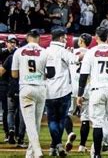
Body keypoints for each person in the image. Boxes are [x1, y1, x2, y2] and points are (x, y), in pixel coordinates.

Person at [77, 27, 108, 158]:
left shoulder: (91, 52)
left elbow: (83, 76)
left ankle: (97, 154)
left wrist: (80, 94)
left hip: (96, 91)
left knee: (98, 123)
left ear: (96, 37)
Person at [11, 30, 49, 158]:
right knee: (36, 122)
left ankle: (37, 151)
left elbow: (14, 74)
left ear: (27, 38)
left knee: (30, 123)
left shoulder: (18, 51)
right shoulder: (45, 52)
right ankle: (30, 153)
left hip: (26, 88)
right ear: (38, 38)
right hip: (41, 88)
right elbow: (50, 72)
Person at [44, 28, 81, 156]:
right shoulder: (62, 51)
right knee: (61, 120)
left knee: (52, 120)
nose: (66, 40)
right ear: (60, 38)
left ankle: (54, 147)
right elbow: (76, 59)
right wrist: (86, 53)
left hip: (48, 91)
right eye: (65, 38)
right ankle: (58, 145)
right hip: (63, 90)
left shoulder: (45, 51)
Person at [67, 33, 93, 153]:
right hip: (86, 89)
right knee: (85, 119)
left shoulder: (71, 52)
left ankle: (70, 133)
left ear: (81, 41)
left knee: (66, 114)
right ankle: (82, 146)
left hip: (72, 88)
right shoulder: (92, 54)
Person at [0, 35, 18, 143]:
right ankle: (8, 133)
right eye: (11, 42)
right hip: (3, 84)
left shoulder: (18, 53)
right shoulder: (2, 54)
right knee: (7, 110)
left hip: (14, 84)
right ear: (6, 43)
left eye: (14, 42)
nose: (12, 44)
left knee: (14, 111)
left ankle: (14, 132)